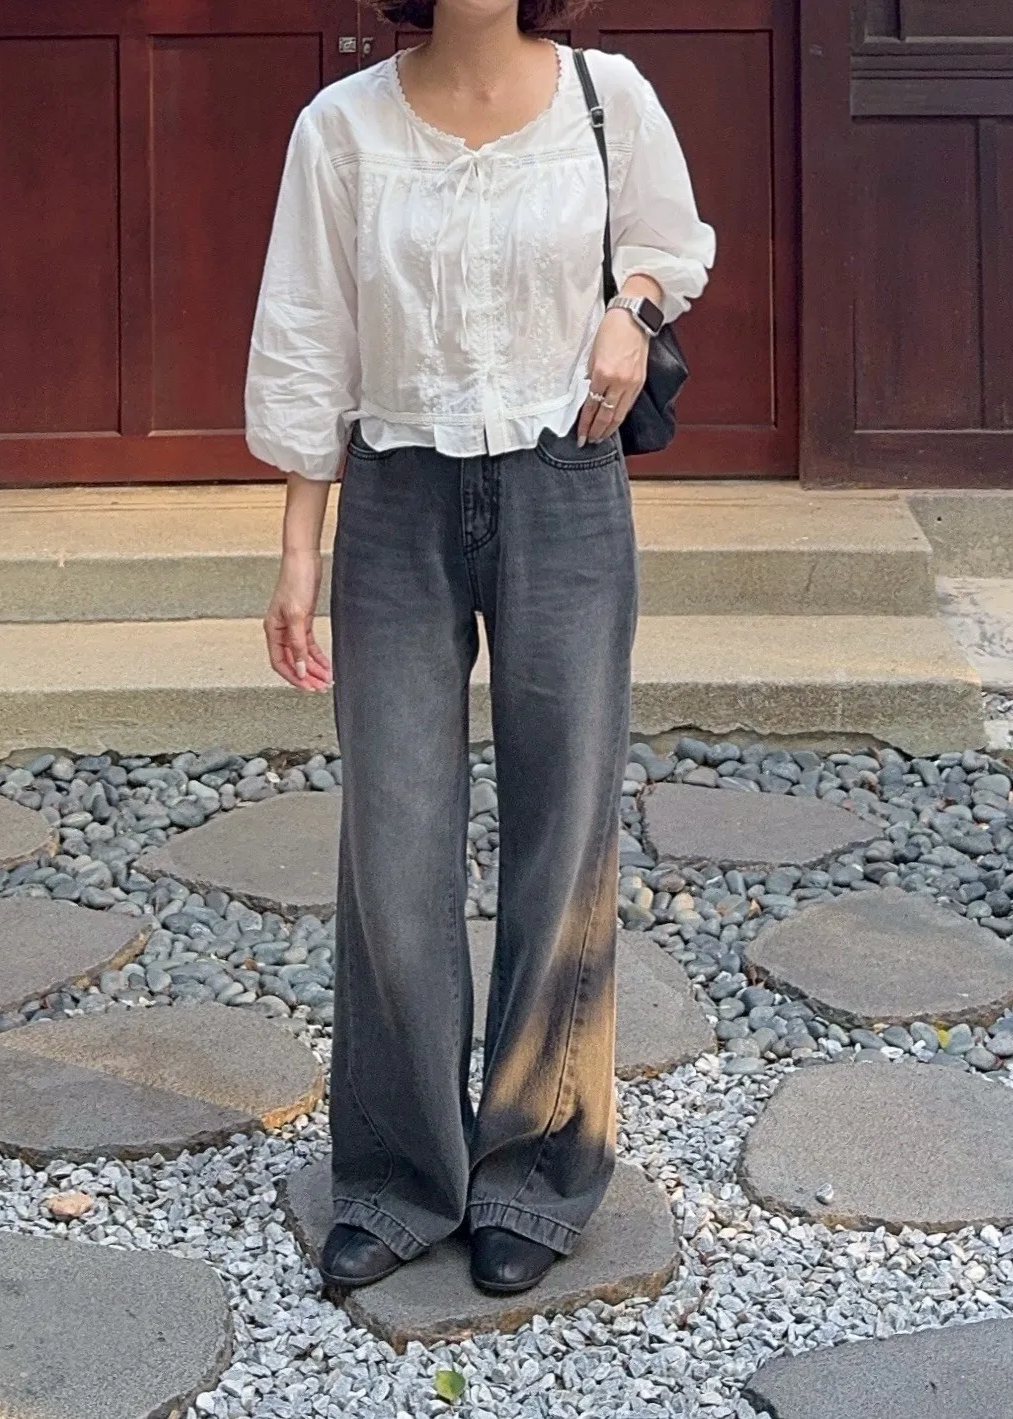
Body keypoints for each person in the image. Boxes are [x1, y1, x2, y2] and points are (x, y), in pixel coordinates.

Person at [245, 0, 715, 1297]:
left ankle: (539, 1166)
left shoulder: (607, 98)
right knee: (393, 842)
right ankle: (399, 1175)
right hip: (395, 494)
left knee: (564, 829)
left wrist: (630, 310)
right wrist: (299, 548)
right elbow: (308, 333)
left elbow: (668, 244)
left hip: (566, 482)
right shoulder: (341, 129)